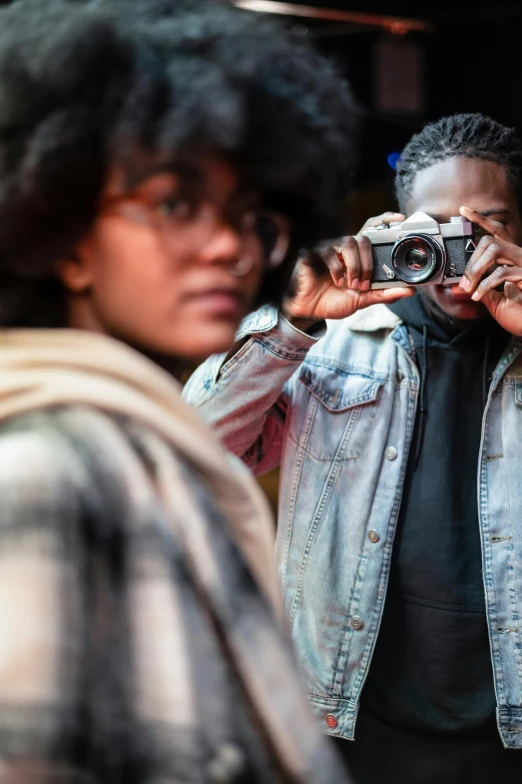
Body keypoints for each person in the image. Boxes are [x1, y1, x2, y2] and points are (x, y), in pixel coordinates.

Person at [0, 0, 358, 780]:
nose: (229, 245)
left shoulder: (135, 438)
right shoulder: (43, 470)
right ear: (62, 235)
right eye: (175, 204)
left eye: (248, 213)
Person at [184, 113, 522, 783]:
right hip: (349, 718)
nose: (458, 249)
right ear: (398, 230)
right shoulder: (336, 340)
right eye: (436, 229)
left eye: (487, 225)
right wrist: (294, 316)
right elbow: (194, 446)